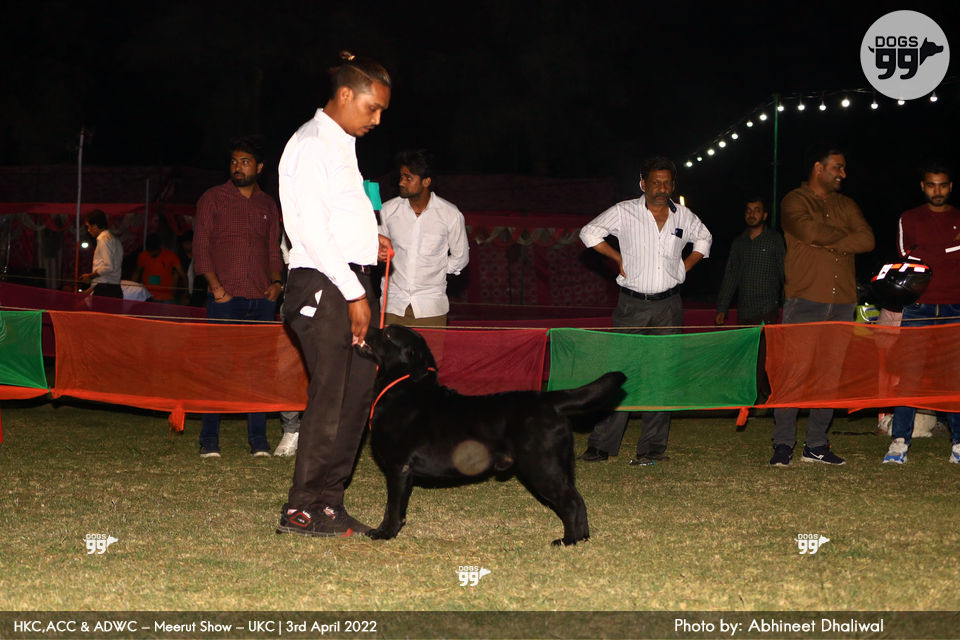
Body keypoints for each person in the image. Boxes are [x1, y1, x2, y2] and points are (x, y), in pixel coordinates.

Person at [275, 51, 393, 537]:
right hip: (326, 285)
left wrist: (370, 241)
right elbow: (309, 229)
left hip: (350, 279)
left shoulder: (343, 145)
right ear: (346, 94)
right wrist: (353, 293)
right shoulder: (311, 143)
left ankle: (329, 503)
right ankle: (301, 508)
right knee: (330, 396)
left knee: (355, 398)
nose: (377, 119)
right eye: (372, 107)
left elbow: (338, 217)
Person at [577, 156, 712, 465]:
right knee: (620, 374)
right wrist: (617, 258)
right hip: (632, 305)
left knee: (662, 375)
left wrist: (686, 266)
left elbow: (705, 238)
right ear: (643, 184)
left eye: (666, 183)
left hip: (669, 307)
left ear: (673, 185)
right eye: (655, 183)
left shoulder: (684, 216)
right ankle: (601, 445)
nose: (661, 188)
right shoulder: (624, 211)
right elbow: (589, 232)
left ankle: (652, 448)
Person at [770, 145, 874, 467]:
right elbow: (808, 230)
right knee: (794, 373)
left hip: (842, 302)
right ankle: (783, 443)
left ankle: (815, 445)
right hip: (804, 299)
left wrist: (825, 241)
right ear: (819, 168)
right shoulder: (794, 201)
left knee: (830, 376)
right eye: (837, 167)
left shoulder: (847, 204)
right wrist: (843, 239)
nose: (843, 174)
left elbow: (867, 240)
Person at [193, 135, 284, 458]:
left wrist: (277, 284)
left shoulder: (268, 205)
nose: (238, 167)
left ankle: (258, 441)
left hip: (261, 299)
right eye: (234, 161)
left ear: (259, 168)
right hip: (225, 299)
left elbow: (273, 250)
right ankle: (209, 441)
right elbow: (201, 246)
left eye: (245, 162)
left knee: (257, 371)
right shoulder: (213, 198)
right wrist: (217, 288)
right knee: (218, 369)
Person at [883, 161, 960, 465]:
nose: (936, 191)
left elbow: (925, 254)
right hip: (919, 306)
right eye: (931, 185)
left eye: (942, 185)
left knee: (953, 378)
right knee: (910, 376)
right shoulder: (910, 217)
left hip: (955, 307)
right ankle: (899, 442)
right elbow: (908, 256)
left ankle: (958, 443)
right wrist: (952, 250)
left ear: (950, 187)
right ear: (923, 187)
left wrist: (934, 252)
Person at [379, 149, 469, 327]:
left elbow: (461, 257)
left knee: (432, 348)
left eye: (408, 178)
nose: (401, 182)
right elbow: (377, 248)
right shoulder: (388, 211)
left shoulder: (450, 214)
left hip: (431, 307)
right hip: (393, 305)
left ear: (426, 181)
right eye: (401, 177)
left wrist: (436, 271)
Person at [715, 198, 784, 326]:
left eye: (757, 211)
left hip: (767, 309)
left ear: (764, 215)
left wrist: (789, 301)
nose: (751, 214)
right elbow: (731, 276)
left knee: (764, 340)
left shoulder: (774, 239)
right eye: (748, 211)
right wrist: (722, 308)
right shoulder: (739, 242)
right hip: (744, 311)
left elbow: (784, 271)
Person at [80, 209, 123, 298]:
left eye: (89, 227)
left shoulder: (103, 240)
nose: (88, 230)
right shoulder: (114, 239)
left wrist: (90, 276)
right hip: (113, 288)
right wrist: (91, 289)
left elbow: (108, 267)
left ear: (95, 226)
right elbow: (107, 274)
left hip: (106, 290)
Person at [132, 233, 186, 303]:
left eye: (154, 251)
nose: (151, 253)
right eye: (150, 251)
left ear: (159, 247)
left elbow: (183, 275)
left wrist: (186, 293)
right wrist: (132, 289)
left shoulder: (171, 256)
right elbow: (137, 273)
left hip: (165, 297)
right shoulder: (143, 256)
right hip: (147, 296)